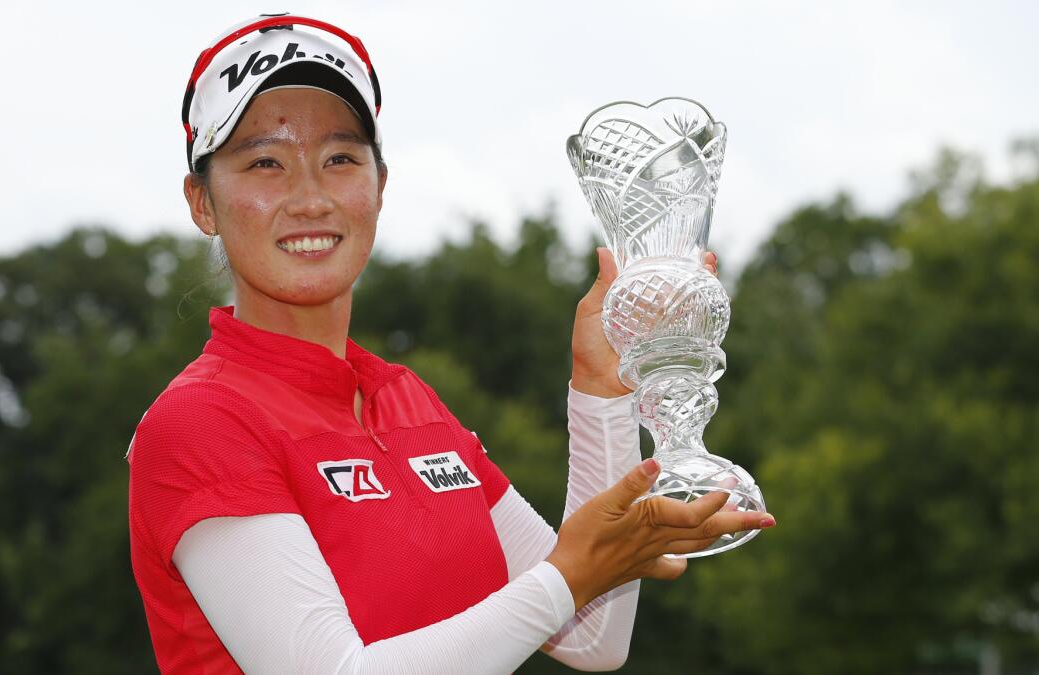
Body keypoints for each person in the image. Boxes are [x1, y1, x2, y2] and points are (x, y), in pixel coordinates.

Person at [126, 13, 776, 674]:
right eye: (266, 162)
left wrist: (601, 388)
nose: (310, 197)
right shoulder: (198, 422)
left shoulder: (409, 401)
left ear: (379, 186)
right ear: (202, 201)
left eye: (341, 158)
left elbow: (591, 634)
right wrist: (570, 576)